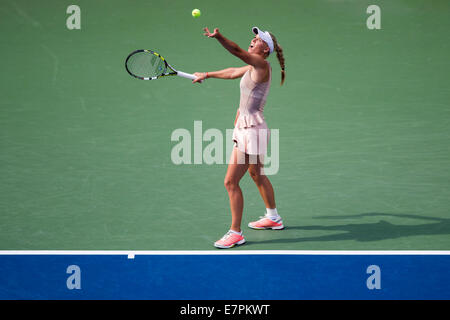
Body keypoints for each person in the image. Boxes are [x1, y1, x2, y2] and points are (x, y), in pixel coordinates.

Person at [193, 26, 286, 248]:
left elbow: (235, 51)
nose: (253, 41)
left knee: (231, 181)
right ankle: (273, 218)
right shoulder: (254, 65)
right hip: (250, 128)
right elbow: (233, 71)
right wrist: (206, 74)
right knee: (256, 173)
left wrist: (219, 37)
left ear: (266, 50)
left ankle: (235, 232)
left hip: (251, 131)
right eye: (253, 38)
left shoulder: (261, 64)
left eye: (258, 40)